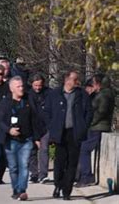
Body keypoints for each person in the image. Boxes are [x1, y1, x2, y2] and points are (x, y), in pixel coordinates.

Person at [44, 70, 92, 200]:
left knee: (72, 163)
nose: (77, 82)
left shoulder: (82, 95)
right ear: (67, 79)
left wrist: (83, 127)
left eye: (77, 80)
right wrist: (51, 126)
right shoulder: (54, 94)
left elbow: (88, 112)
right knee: (59, 162)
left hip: (75, 133)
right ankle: (58, 184)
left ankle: (67, 190)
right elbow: (47, 112)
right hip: (59, 133)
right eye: (74, 79)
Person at [0, 76, 41, 201]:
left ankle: (22, 190)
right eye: (18, 87)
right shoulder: (5, 103)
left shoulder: (28, 100)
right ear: (12, 89)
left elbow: (35, 119)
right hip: (10, 141)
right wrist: (9, 130)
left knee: (24, 165)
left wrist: (37, 138)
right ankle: (16, 190)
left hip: (26, 139)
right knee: (13, 167)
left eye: (22, 86)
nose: (21, 88)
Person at [76, 74, 115, 187]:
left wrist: (90, 123)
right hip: (96, 126)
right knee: (84, 149)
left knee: (84, 150)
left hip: (97, 127)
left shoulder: (104, 95)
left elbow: (101, 112)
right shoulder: (102, 94)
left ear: (98, 84)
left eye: (94, 83)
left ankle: (86, 176)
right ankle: (84, 175)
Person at [27, 73, 51, 184]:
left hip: (45, 126)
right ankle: (34, 173)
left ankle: (43, 174)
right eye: (35, 85)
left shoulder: (49, 93)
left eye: (39, 85)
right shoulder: (28, 95)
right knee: (32, 150)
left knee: (44, 149)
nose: (37, 88)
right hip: (31, 125)